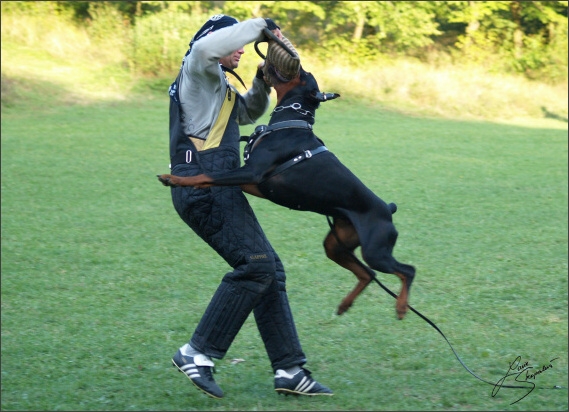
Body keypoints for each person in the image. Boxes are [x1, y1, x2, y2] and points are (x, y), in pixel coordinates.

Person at [164, 14, 333, 399]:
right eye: (232, 41)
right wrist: (261, 26)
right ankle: (197, 353)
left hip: (214, 185)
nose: (238, 47)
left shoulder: (215, 83)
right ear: (214, 41)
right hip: (204, 187)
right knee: (256, 265)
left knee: (268, 269)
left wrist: (262, 81)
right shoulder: (197, 68)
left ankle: (289, 369)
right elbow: (205, 47)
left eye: (241, 41)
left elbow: (247, 113)